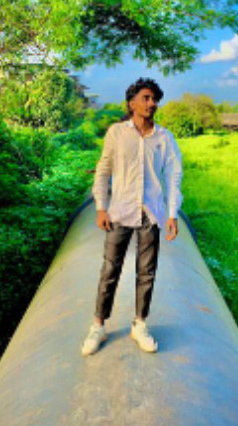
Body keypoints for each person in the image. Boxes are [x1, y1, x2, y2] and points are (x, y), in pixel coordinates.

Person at [81, 78, 183, 356]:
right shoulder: (116, 133)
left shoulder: (164, 138)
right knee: (110, 270)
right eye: (146, 98)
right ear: (132, 103)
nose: (152, 103)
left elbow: (174, 175)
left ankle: (140, 324)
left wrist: (172, 214)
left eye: (155, 99)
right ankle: (98, 325)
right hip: (120, 211)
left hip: (151, 213)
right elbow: (103, 169)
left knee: (146, 272)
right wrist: (101, 207)